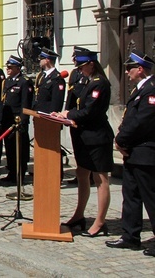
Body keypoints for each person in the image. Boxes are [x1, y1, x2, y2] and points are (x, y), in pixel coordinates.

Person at [55, 49, 113, 237]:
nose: (79, 70)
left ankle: (100, 222)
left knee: (100, 179)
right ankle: (79, 215)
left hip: (96, 136)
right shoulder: (85, 81)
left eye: (81, 67)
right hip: (82, 134)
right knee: (82, 173)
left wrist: (68, 114)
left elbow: (90, 111)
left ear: (90, 64)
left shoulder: (100, 84)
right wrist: (65, 115)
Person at [106, 50, 155, 256]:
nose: (126, 72)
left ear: (140, 69)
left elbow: (142, 121)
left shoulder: (151, 90)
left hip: (145, 152)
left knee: (151, 198)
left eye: (129, 68)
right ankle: (130, 236)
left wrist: (121, 140)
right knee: (131, 195)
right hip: (133, 152)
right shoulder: (140, 89)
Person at [0, 55, 33, 184]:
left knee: (20, 150)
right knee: (9, 148)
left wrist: (23, 121)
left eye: (10, 67)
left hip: (18, 120)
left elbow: (25, 103)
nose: (8, 69)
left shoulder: (24, 82)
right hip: (8, 120)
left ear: (18, 68)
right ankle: (12, 172)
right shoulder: (7, 81)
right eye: (7, 67)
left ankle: (19, 174)